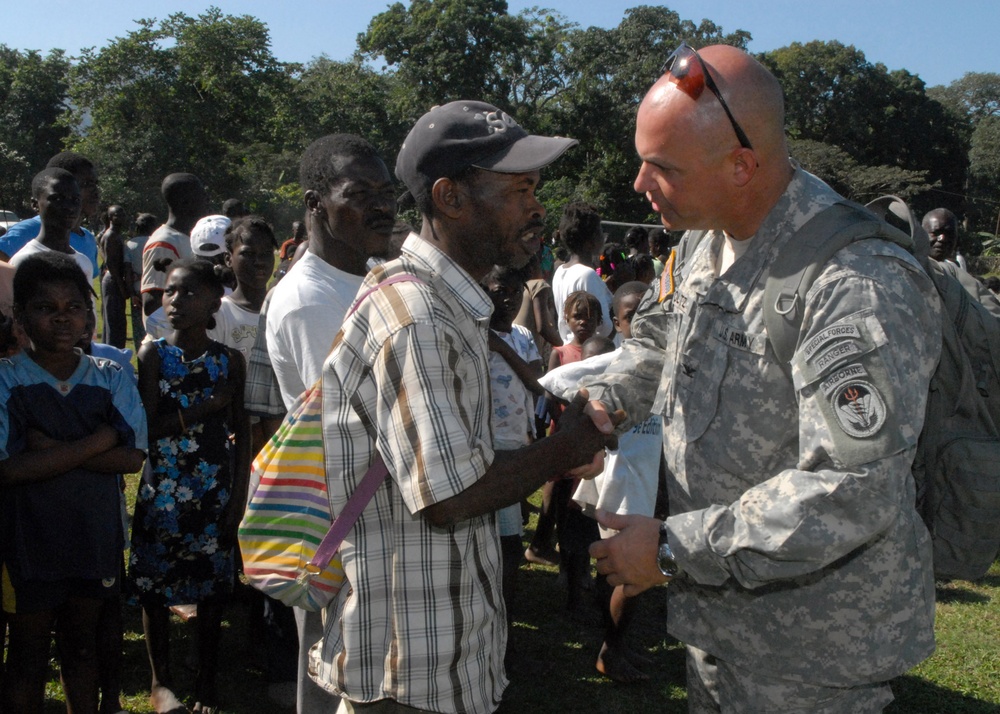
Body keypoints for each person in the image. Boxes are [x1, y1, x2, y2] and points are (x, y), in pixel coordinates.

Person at [584, 44, 941, 712]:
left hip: (812, 655)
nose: (638, 184)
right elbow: (662, 332)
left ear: (741, 165)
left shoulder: (855, 285)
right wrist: (607, 405)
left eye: (660, 167)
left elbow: (852, 491)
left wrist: (669, 548)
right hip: (722, 626)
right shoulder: (704, 235)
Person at [312, 100, 617, 714]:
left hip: (441, 655)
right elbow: (450, 494)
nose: (536, 208)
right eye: (518, 189)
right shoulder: (418, 320)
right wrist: (567, 445)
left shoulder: (446, 307)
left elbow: (445, 464)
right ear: (450, 198)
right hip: (408, 669)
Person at [264, 133, 398, 714]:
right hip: (342, 518)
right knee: (334, 675)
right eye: (360, 193)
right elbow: (363, 418)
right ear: (316, 203)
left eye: (387, 193)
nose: (382, 207)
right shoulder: (309, 300)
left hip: (379, 512)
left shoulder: (372, 274)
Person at [0, 252, 146, 714]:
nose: (63, 319)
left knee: (82, 647)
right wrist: (98, 440)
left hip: (93, 539)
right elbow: (8, 468)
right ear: (20, 317)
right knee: (27, 653)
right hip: (28, 543)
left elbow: (133, 455)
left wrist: (49, 450)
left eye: (74, 307)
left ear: (90, 313)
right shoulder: (7, 381)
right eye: (46, 308)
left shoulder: (111, 377)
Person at [129, 258, 250, 714]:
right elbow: (147, 429)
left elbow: (240, 433)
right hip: (163, 490)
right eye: (170, 292)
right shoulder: (154, 355)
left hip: (213, 491)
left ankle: (207, 682)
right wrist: (204, 408)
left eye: (189, 293)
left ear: (214, 302)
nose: (176, 302)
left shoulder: (228, 361)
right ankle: (162, 682)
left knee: (211, 591)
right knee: (154, 588)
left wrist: (237, 498)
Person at [541, 281, 663, 683]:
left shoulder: (664, 355)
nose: (640, 322)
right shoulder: (615, 358)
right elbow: (557, 379)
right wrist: (591, 408)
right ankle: (611, 650)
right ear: (616, 322)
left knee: (633, 570)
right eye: (631, 316)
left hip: (651, 476)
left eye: (647, 312)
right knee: (630, 574)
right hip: (623, 479)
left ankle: (618, 645)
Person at [482, 263, 543, 670]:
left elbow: (538, 382)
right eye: (498, 289)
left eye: (515, 290)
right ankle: (490, 633)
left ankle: (504, 630)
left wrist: (503, 347)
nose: (507, 297)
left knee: (509, 546)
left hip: (517, 450)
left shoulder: (518, 337)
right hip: (487, 452)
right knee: (494, 545)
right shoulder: (473, 334)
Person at [0, 151, 101, 277]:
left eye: (95, 184)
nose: (95, 191)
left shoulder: (88, 238)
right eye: (87, 184)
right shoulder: (28, 230)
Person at [140, 173, 210, 340]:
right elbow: (152, 303)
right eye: (202, 194)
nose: (207, 199)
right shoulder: (164, 242)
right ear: (185, 201)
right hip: (171, 345)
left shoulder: (188, 238)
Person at [208, 215, 275, 364]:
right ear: (228, 259)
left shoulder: (281, 309)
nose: (259, 262)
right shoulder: (219, 314)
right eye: (248, 254)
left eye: (266, 253)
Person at [10, 169, 96, 284]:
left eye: (75, 200)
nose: (69, 207)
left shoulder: (84, 262)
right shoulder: (25, 261)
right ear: (35, 204)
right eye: (57, 199)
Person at [551, 202, 613, 344]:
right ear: (589, 242)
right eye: (599, 231)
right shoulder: (587, 275)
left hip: (571, 349)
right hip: (590, 353)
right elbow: (605, 327)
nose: (602, 237)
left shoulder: (560, 271)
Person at [125, 213, 157, 351]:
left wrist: (131, 294)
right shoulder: (156, 241)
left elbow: (127, 271)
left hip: (137, 290)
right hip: (155, 290)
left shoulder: (130, 245)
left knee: (139, 330)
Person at [99, 204, 129, 348]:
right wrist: (122, 286)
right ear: (110, 217)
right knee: (114, 321)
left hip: (114, 280)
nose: (122, 217)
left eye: (123, 214)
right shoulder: (110, 235)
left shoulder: (116, 234)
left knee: (117, 321)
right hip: (112, 280)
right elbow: (111, 264)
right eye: (118, 214)